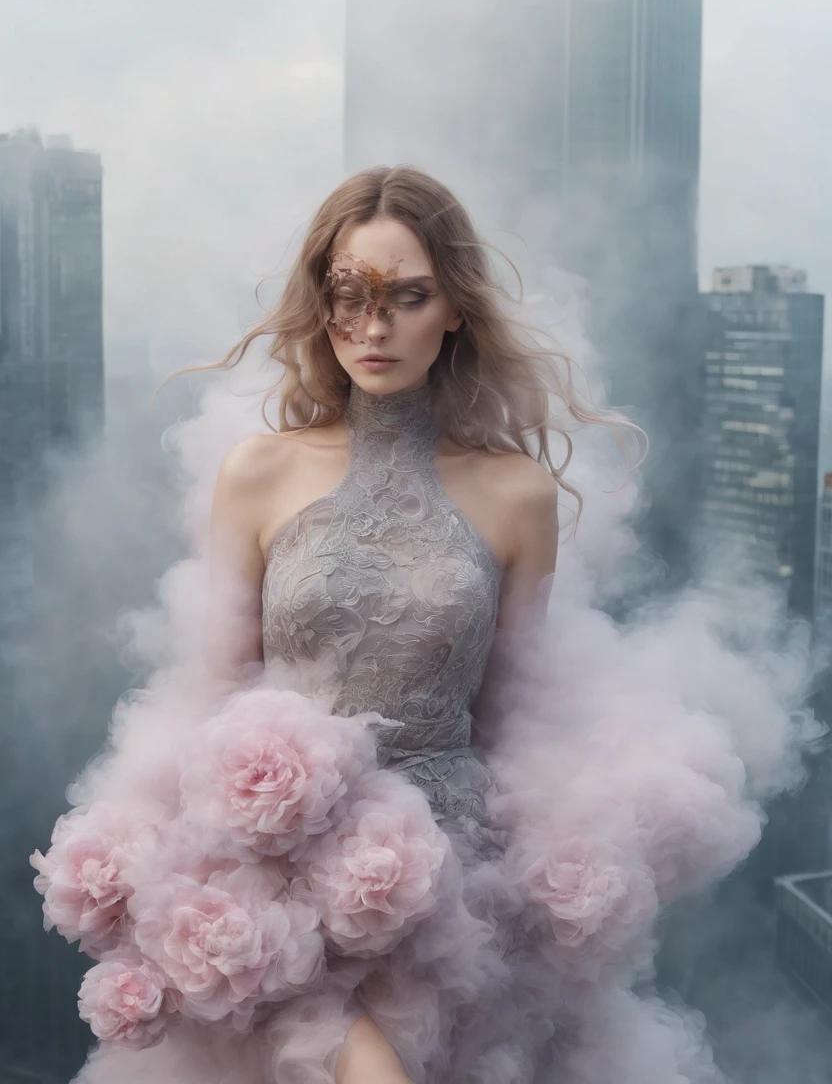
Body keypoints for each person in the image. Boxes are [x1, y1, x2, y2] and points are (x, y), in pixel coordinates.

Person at [32, 165, 633, 1084]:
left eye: (407, 297)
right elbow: (212, 695)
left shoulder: (519, 493)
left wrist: (551, 893)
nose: (374, 327)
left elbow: (519, 718)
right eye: (348, 296)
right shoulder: (257, 474)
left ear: (456, 309)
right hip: (279, 880)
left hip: (450, 890)